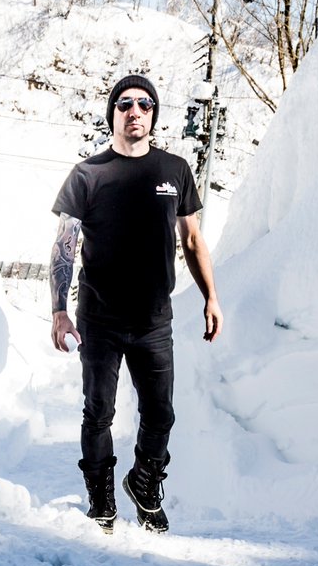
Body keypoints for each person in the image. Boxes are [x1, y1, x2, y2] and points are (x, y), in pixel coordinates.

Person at [49, 74, 222, 534]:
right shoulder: (88, 175)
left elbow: (192, 238)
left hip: (153, 320)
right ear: (113, 113)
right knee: (98, 411)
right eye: (125, 103)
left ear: (153, 115)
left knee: (160, 413)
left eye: (145, 104)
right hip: (99, 317)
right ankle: (101, 501)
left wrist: (212, 297)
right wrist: (59, 310)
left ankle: (144, 485)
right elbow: (65, 244)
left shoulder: (175, 170)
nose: (135, 111)